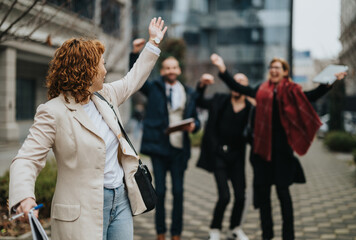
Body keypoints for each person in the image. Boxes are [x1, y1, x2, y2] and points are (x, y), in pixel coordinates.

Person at [8, 17, 167, 240]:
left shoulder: (105, 97)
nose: (105, 70)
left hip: (120, 201)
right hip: (81, 210)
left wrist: (153, 43)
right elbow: (27, 158)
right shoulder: (53, 111)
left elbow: (133, 80)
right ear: (86, 70)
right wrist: (24, 197)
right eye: (101, 64)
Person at [210, 53, 347, 240]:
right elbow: (237, 86)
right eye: (271, 67)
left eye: (278, 68)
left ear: (284, 72)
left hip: (282, 154)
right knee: (264, 200)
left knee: (284, 196)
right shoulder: (260, 90)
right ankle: (267, 236)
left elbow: (312, 96)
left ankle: (287, 236)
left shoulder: (293, 91)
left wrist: (331, 81)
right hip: (261, 154)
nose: (274, 70)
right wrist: (222, 69)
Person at [129, 41, 201, 240]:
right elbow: (137, 76)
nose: (171, 70)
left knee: (178, 192)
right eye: (167, 67)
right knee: (159, 191)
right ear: (162, 70)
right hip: (159, 148)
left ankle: (176, 234)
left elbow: (195, 117)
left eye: (174, 67)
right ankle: (161, 233)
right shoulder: (154, 89)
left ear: (178, 70)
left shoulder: (188, 92)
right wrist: (135, 53)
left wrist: (195, 125)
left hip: (179, 149)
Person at [196, 72, 254, 240]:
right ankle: (215, 228)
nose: (237, 84)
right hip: (219, 155)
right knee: (224, 196)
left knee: (241, 196)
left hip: (237, 157)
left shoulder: (251, 109)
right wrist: (202, 85)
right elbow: (200, 101)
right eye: (235, 81)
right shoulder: (220, 100)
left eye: (242, 82)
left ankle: (235, 228)